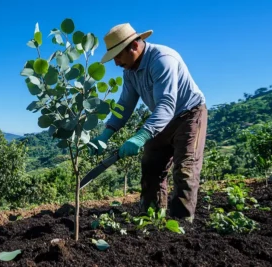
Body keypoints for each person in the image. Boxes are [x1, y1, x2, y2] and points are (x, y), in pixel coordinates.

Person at [88, 23, 207, 221]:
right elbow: (125, 104)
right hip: (160, 120)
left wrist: (141, 136)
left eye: (118, 55)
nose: (116, 63)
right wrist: (106, 134)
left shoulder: (162, 60)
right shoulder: (130, 72)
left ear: (134, 46)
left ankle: (182, 226)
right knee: (151, 166)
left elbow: (167, 104)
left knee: (185, 171)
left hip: (189, 115)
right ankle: (152, 220)